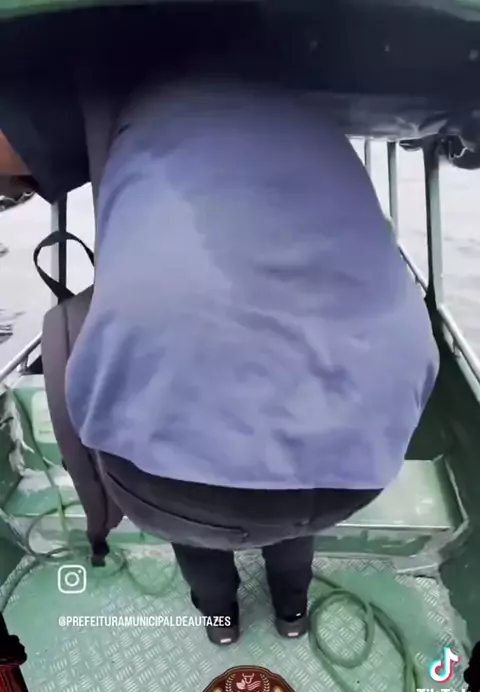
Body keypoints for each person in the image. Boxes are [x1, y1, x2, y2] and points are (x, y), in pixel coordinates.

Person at [0, 7, 439, 645]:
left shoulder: (102, 66)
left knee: (191, 512)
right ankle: (292, 612)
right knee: (298, 484)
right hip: (357, 464)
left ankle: (221, 620)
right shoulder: (314, 81)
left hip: (165, 486)